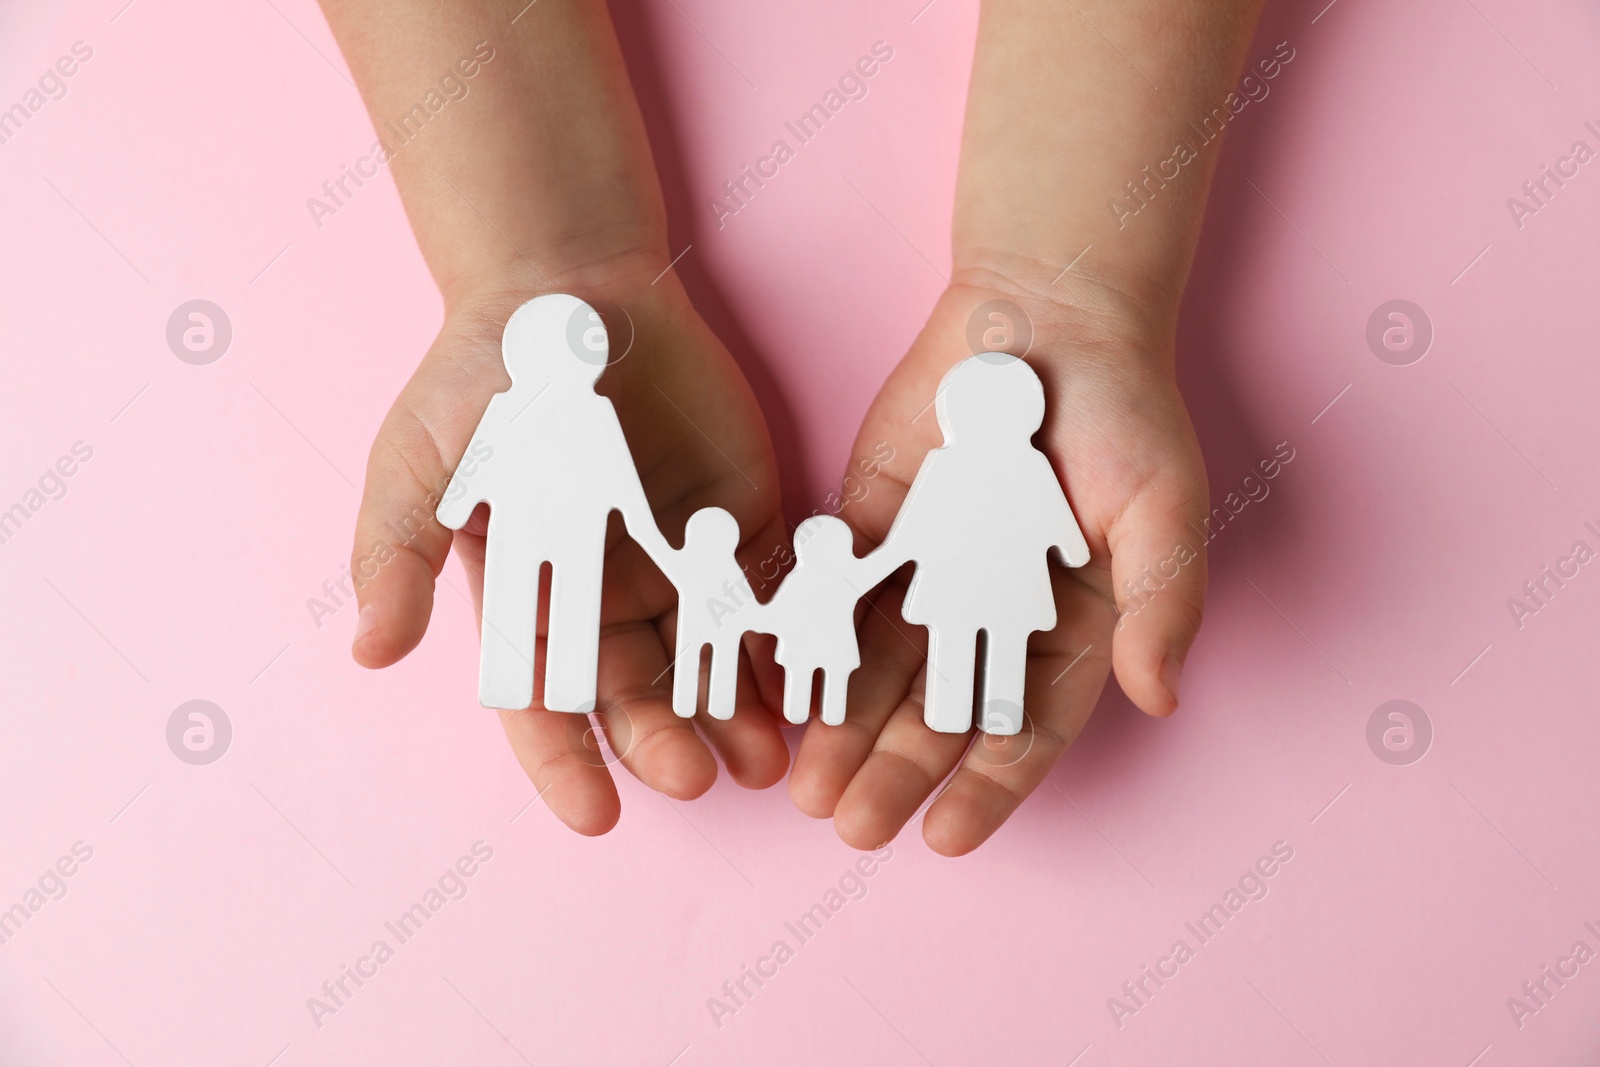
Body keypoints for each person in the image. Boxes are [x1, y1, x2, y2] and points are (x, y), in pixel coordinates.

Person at [323, 0, 1261, 850]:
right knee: (559, 620)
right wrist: (532, 260)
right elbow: (922, 527)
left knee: (984, 659)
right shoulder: (539, 411)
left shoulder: (1002, 467)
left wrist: (1074, 282)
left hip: (929, 575)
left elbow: (939, 530)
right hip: (569, 531)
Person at [435, 294, 672, 714]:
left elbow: (619, 477)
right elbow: (622, 485)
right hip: (559, 529)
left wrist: (456, 505)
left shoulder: (575, 411)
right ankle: (531, 684)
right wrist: (645, 531)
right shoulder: (568, 410)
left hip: (554, 528)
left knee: (547, 602)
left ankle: (536, 684)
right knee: (559, 605)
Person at [872, 354, 1090, 736]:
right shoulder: (1021, 464)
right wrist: (1073, 552)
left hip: (961, 583)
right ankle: (981, 714)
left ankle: (960, 713)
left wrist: (882, 560)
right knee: (988, 641)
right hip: (1006, 584)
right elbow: (1059, 527)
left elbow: (914, 530)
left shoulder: (967, 464)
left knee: (969, 641)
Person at [761, 516, 899, 727]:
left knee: (813, 674)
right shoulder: (841, 576)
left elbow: (778, 612)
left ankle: (811, 710)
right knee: (811, 674)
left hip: (813, 645)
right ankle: (807, 709)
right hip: (823, 645)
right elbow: (879, 566)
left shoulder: (805, 579)